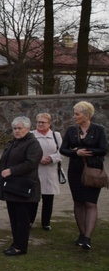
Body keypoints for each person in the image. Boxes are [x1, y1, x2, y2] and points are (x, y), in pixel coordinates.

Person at [59, 101, 108, 250]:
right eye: (74, 113)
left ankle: (87, 237)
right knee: (78, 202)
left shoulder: (99, 130)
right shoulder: (71, 131)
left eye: (77, 114)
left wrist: (85, 150)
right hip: (75, 171)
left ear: (86, 115)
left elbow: (103, 149)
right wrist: (75, 153)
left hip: (93, 171)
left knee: (90, 203)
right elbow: (63, 149)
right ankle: (81, 234)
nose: (74, 116)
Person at [0, 117, 42, 255]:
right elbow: (4, 160)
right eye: (15, 128)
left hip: (23, 187)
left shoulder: (33, 144)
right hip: (11, 186)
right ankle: (16, 243)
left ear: (27, 129)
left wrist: (11, 171)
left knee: (21, 219)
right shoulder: (13, 143)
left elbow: (31, 163)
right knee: (14, 217)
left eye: (20, 128)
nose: (17, 131)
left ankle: (20, 246)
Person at [30, 113, 63, 231]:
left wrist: (51, 158)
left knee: (48, 199)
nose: (40, 124)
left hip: (50, 171)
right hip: (35, 171)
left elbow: (62, 151)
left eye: (43, 122)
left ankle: (46, 222)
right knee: (33, 198)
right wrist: (38, 158)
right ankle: (29, 221)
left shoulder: (56, 135)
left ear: (49, 123)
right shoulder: (31, 135)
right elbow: (26, 151)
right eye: (38, 122)